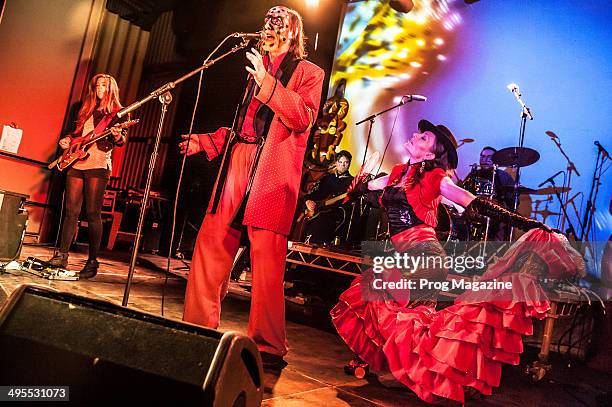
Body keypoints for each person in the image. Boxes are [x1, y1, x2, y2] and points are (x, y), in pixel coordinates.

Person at [331, 119, 584, 404]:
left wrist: (525, 222)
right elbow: (367, 188)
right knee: (387, 307)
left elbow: (474, 202)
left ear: (429, 154)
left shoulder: (437, 178)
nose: (415, 135)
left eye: (424, 137)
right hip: (400, 254)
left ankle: (424, 374)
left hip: (423, 255)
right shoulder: (397, 175)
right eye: (418, 133)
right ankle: (405, 372)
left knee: (392, 307)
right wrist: (360, 181)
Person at [179, 5, 324, 368]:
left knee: (267, 261)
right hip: (239, 161)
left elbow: (301, 118)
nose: (269, 28)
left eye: (278, 23)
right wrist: (207, 142)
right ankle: (197, 326)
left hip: (272, 170)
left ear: (293, 33)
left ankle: (269, 345)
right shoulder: (253, 70)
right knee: (211, 241)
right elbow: (245, 126)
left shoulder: (309, 72)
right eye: (267, 22)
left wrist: (268, 84)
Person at [48, 73, 127, 278]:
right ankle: (62, 255)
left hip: (98, 165)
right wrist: (66, 140)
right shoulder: (85, 109)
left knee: (92, 213)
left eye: (104, 85)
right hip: (76, 162)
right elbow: (75, 134)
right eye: (97, 85)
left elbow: (121, 141)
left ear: (111, 88)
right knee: (70, 211)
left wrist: (118, 135)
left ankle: (92, 261)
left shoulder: (118, 113)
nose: (100, 88)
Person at [303, 150, 354, 244]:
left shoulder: (352, 182)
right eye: (340, 162)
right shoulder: (326, 177)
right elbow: (314, 194)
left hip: (335, 214)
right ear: (336, 163)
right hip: (317, 210)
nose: (343, 165)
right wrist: (308, 201)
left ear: (349, 164)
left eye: (346, 162)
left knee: (321, 221)